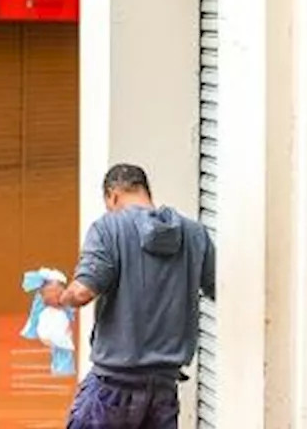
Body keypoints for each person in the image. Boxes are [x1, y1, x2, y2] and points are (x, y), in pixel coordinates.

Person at [54, 163, 216, 429]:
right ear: (145, 191)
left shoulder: (108, 229)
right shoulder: (195, 234)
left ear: (113, 196)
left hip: (114, 388)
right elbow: (219, 288)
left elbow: (83, 291)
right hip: (164, 389)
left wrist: (62, 297)